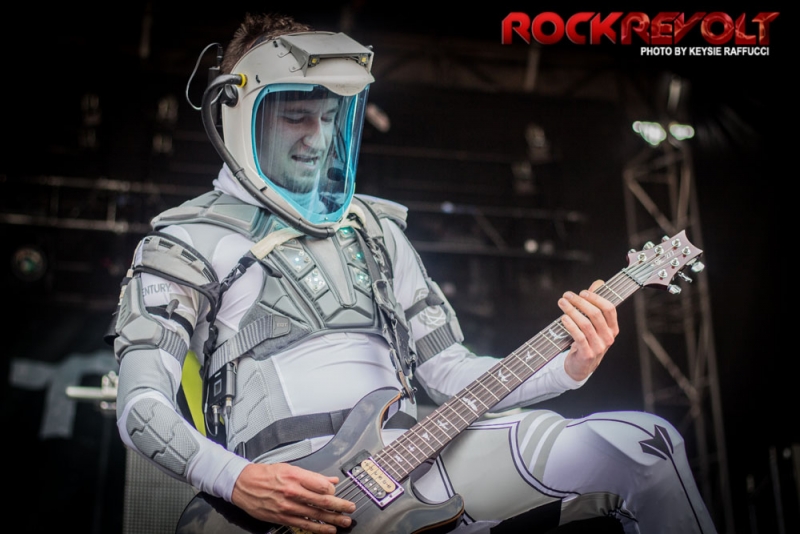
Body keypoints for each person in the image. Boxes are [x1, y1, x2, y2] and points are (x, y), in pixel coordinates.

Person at [108, 12, 718, 534]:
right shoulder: (184, 240)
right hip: (287, 497)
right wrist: (236, 480)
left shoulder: (378, 231)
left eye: (329, 117)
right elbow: (141, 405)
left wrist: (568, 365)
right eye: (296, 115)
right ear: (241, 116)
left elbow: (448, 372)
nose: (318, 138)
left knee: (643, 446)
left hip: (419, 460)